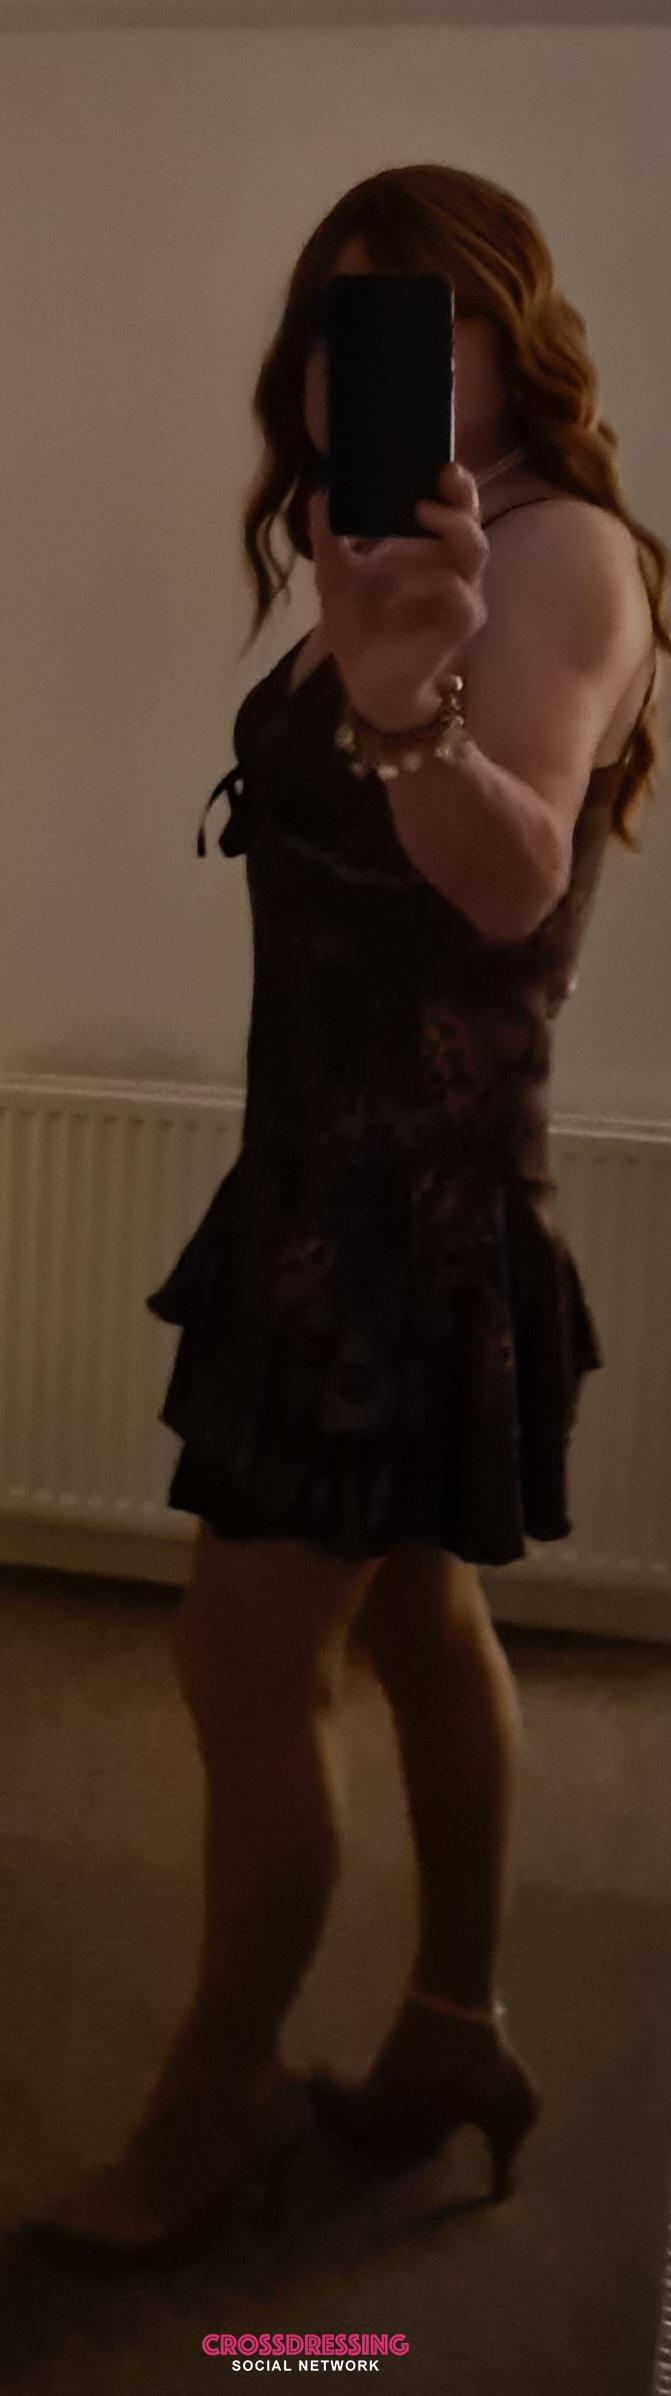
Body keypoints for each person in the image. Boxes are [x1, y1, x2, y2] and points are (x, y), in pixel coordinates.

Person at [24, 164, 669, 2261]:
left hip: (403, 1218)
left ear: (513, 339)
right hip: (327, 1176)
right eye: (332, 321)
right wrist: (385, 661)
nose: (351, 362)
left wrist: (403, 705)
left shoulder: (563, 554)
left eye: (414, 319)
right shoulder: (397, 551)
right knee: (413, 1616)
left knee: (237, 1662)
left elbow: (510, 879)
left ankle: (210, 2111)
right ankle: (457, 2030)